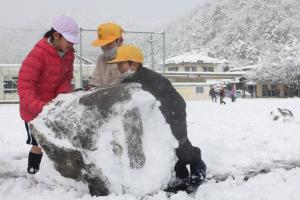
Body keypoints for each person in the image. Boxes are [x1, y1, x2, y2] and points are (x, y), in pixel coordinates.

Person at [107, 44, 207, 193]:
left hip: (174, 116)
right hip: (154, 121)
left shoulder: (153, 79)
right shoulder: (127, 81)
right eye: (117, 64)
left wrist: (171, 125)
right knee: (164, 147)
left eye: (121, 63)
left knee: (181, 148)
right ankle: (180, 172)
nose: (118, 67)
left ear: (133, 64)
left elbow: (176, 102)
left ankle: (198, 164)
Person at [17, 15, 79, 174]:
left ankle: (54, 171)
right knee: (39, 144)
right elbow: (25, 87)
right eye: (69, 41)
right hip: (34, 110)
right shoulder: (38, 55)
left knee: (56, 140)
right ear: (56, 35)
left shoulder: (68, 53)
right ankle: (33, 171)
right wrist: (42, 107)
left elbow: (65, 79)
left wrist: (61, 99)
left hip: (53, 108)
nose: (71, 45)